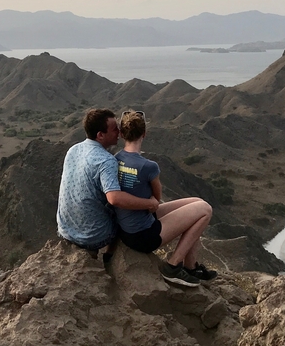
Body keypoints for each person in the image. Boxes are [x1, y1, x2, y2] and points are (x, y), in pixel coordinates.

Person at [114, 110, 217, 287]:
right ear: (144, 134)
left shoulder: (117, 159)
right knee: (205, 209)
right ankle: (173, 266)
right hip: (143, 236)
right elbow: (157, 198)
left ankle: (191, 267)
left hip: (128, 228)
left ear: (122, 134)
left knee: (196, 203)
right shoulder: (148, 166)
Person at [56, 108, 160, 258]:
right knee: (124, 213)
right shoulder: (106, 160)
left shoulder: (73, 149)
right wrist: (150, 204)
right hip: (93, 236)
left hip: (65, 229)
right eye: (114, 129)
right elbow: (114, 199)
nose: (119, 132)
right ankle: (111, 254)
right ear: (100, 135)